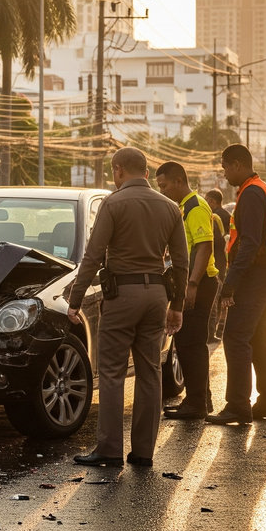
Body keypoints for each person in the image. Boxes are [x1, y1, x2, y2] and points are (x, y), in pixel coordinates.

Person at [66, 147, 187, 467]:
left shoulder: (112, 203)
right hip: (156, 296)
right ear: (146, 173)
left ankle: (109, 449)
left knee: (112, 373)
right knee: (150, 373)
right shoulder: (171, 207)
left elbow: (92, 257)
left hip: (121, 297)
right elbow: (181, 263)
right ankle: (144, 452)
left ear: (119, 170)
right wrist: (177, 305)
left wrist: (75, 300)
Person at [207, 144, 266, 425]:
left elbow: (250, 243)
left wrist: (230, 283)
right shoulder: (258, 188)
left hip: (255, 276)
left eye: (226, 167)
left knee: (236, 337)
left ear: (238, 164)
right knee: (261, 339)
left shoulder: (251, 194)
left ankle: (238, 405)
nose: (225, 173)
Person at [155, 162, 219, 420]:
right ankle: (202, 399)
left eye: (164, 185)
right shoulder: (184, 207)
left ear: (179, 180)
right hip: (193, 281)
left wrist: (191, 285)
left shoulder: (195, 206)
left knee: (191, 343)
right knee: (187, 342)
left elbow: (204, 247)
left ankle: (196, 403)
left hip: (200, 283)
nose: (162, 191)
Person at [204, 188, 231, 343]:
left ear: (213, 201)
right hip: (222, 262)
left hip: (216, 263)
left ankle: (212, 332)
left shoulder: (215, 217)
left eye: (207, 200)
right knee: (219, 299)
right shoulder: (226, 215)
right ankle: (217, 329)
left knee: (215, 300)